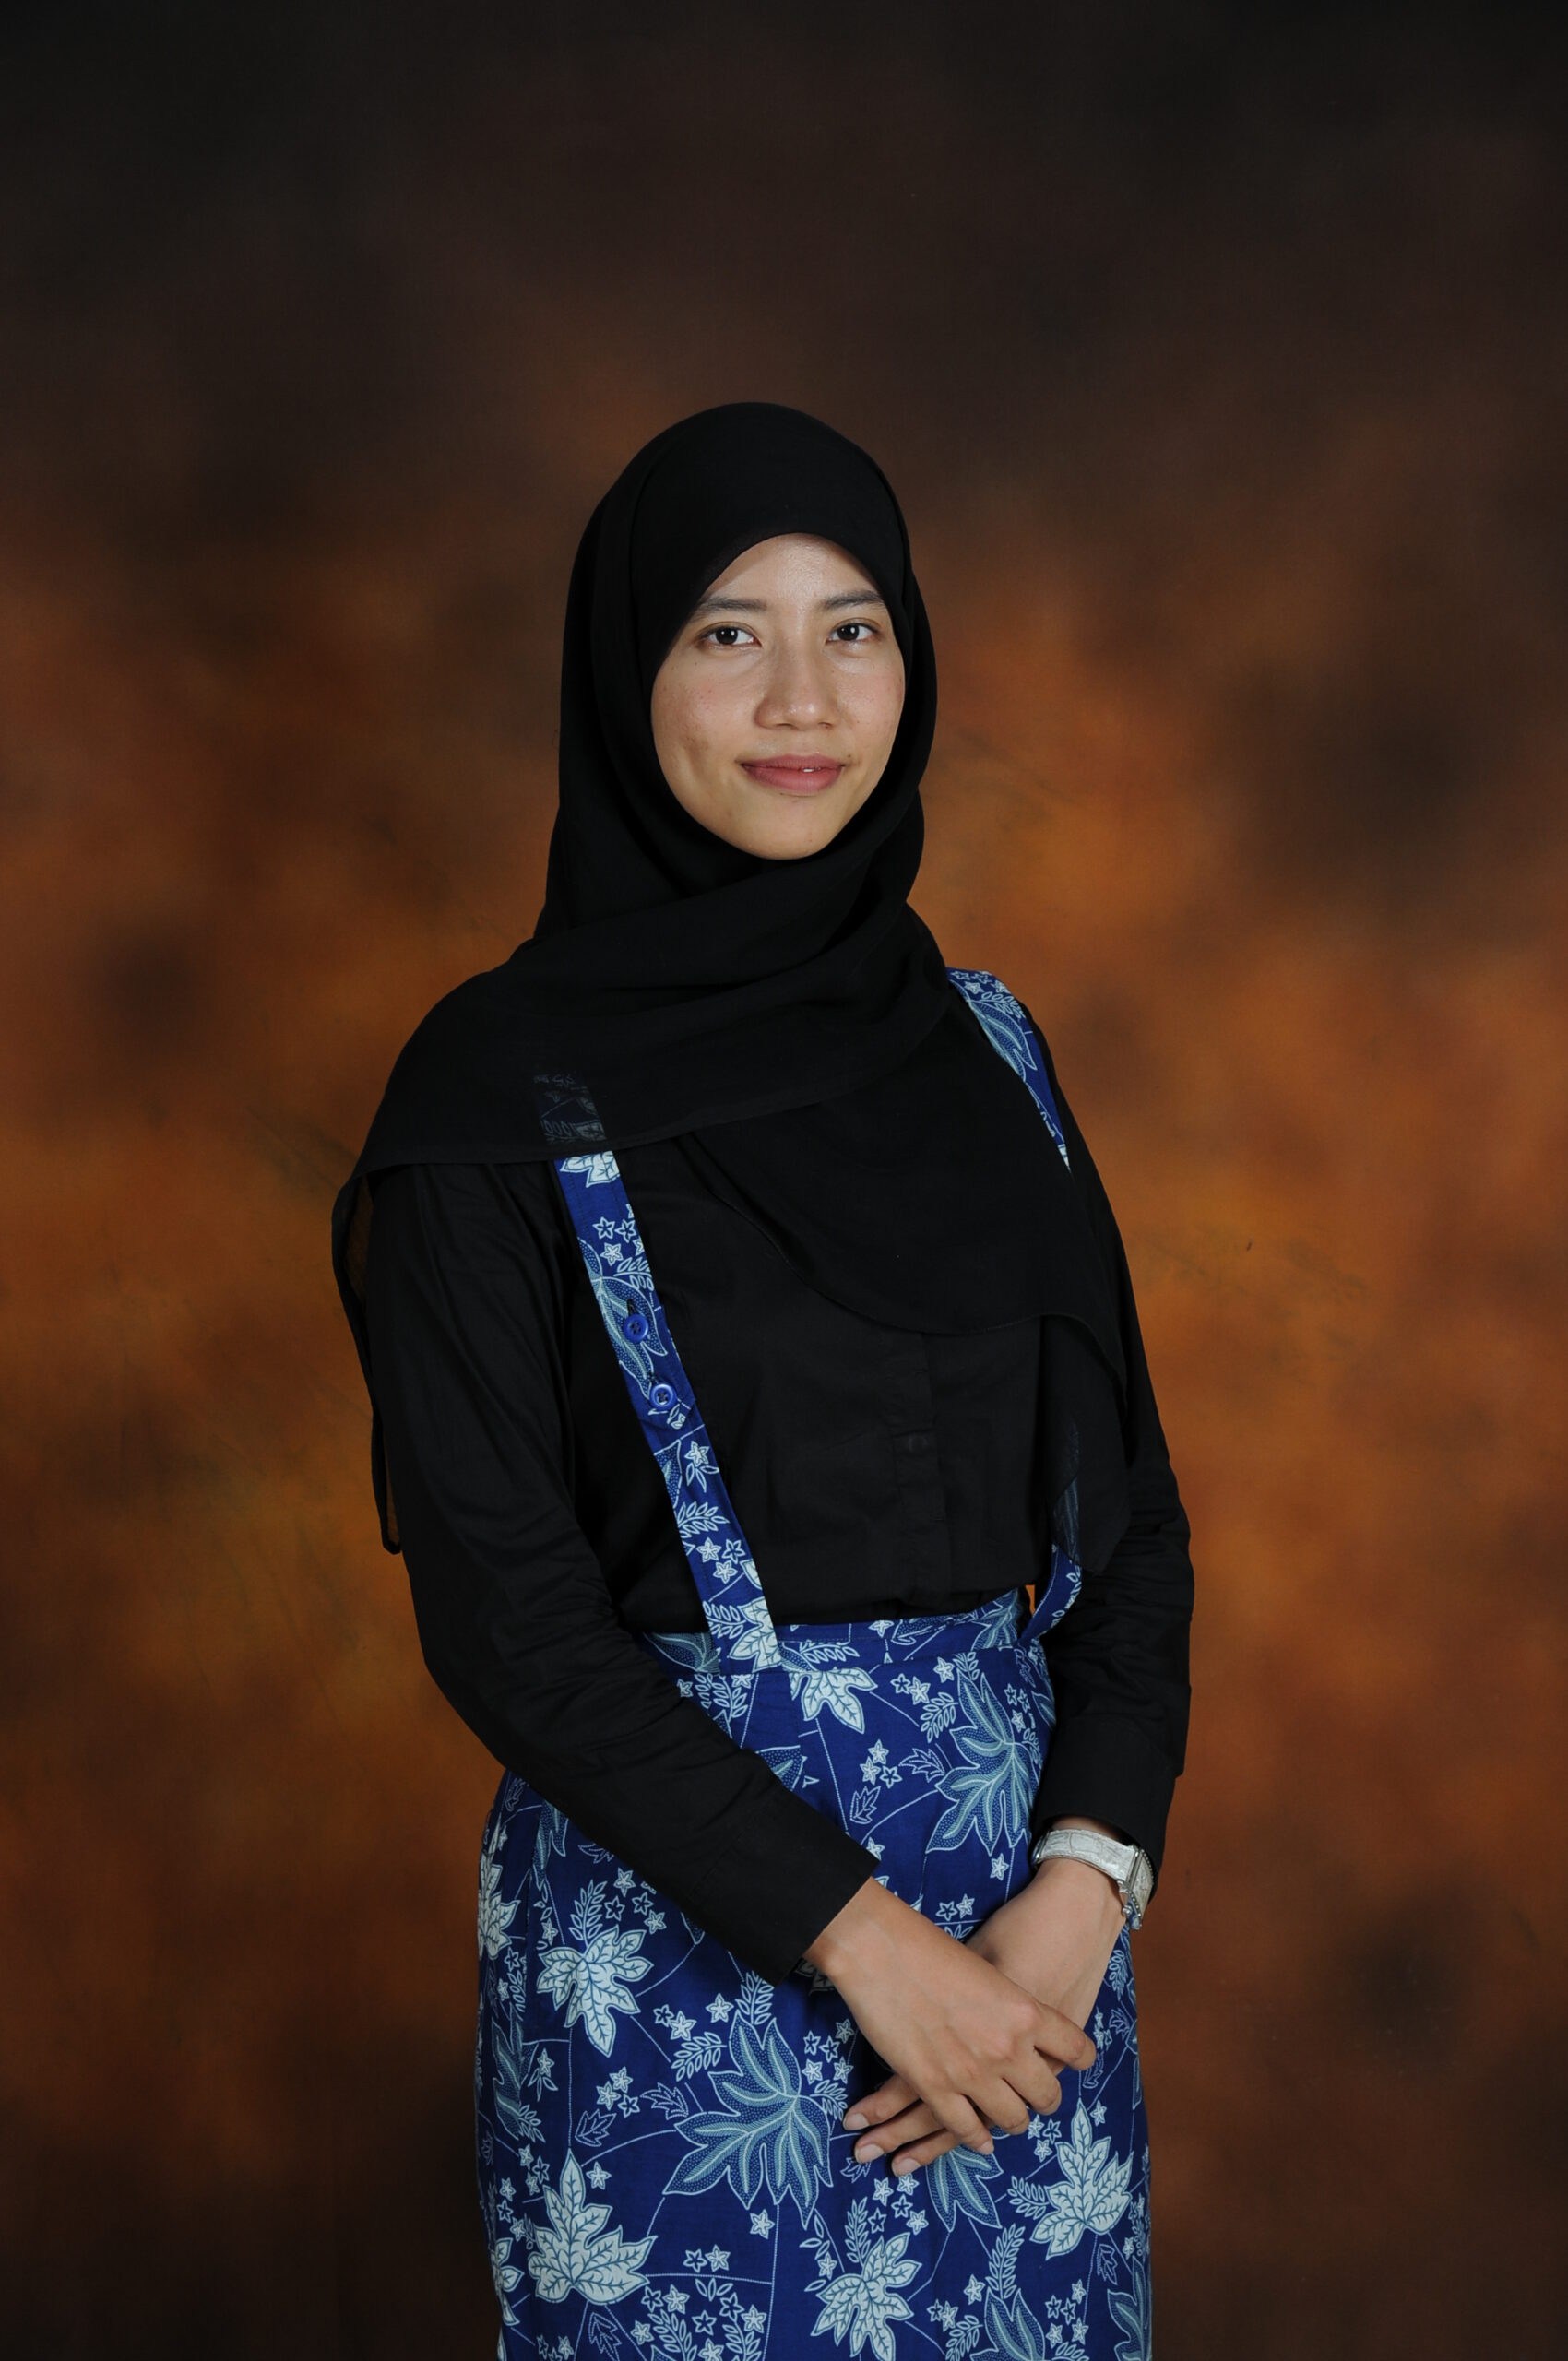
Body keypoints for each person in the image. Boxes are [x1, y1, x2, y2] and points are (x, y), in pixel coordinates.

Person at [330, 402, 1193, 2358]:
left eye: (852, 627)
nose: (803, 697)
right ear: (625, 672)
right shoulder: (490, 1095)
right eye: (729, 631)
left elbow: (1132, 1530)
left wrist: (1084, 1888)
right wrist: (866, 1944)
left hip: (1028, 1975)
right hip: (680, 1972)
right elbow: (511, 1619)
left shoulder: (988, 1049)